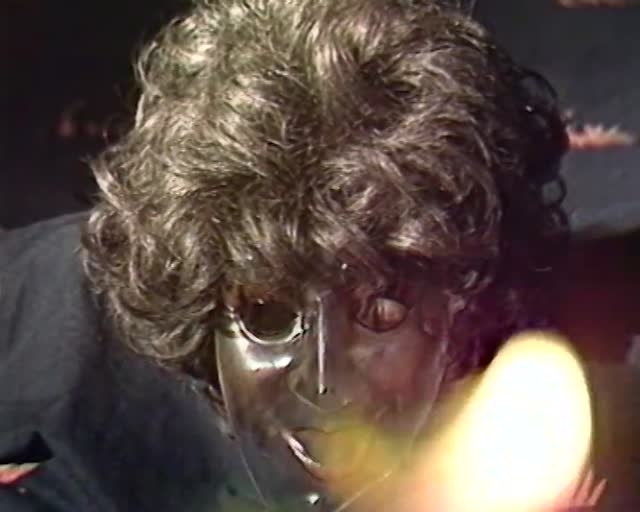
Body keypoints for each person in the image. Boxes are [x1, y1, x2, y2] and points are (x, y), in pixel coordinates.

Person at [0, 0, 570, 510]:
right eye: (267, 314)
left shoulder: (540, 410)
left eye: (380, 312)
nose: (322, 381)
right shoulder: (47, 400)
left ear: (463, 305)